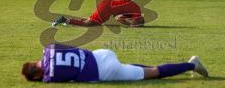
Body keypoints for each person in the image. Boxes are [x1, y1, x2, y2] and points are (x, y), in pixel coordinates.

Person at [22, 44, 209, 82]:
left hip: (104, 71)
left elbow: (50, 76)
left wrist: (42, 77)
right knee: (130, 68)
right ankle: (187, 67)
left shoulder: (48, 76)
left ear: (37, 74)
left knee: (154, 73)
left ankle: (192, 64)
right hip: (100, 54)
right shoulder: (49, 48)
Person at [52, 0, 145, 27]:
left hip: (107, 5)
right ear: (137, 19)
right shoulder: (135, 13)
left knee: (91, 21)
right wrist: (128, 25)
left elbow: (120, 13)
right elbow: (118, 18)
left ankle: (69, 21)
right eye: (135, 24)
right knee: (89, 23)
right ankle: (64, 20)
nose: (132, 25)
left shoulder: (136, 11)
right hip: (107, 7)